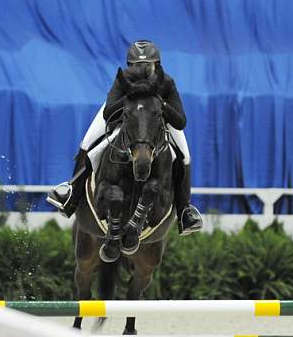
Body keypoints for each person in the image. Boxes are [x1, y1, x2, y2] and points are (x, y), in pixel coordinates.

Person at [46, 40, 203, 235]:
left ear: (157, 64)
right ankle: (72, 193)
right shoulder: (123, 80)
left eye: (147, 65)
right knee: (88, 142)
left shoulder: (167, 83)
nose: (142, 68)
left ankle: (184, 210)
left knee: (184, 155)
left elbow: (180, 121)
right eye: (137, 65)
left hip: (157, 122)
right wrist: (129, 98)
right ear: (131, 66)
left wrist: (160, 104)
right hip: (123, 120)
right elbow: (108, 112)